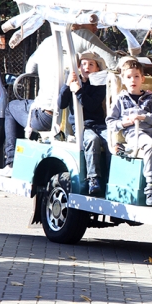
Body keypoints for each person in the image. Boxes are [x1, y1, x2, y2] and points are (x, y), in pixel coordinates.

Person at [0, 23, 117, 177]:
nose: (96, 27)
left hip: (48, 113)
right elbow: (114, 62)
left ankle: (12, 162)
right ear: (77, 22)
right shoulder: (85, 36)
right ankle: (12, 162)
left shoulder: (47, 41)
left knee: (13, 106)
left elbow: (29, 69)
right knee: (12, 107)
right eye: (92, 22)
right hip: (54, 115)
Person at [106, 58, 152, 206]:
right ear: (123, 80)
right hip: (133, 132)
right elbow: (110, 122)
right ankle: (150, 185)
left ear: (142, 78)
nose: (133, 80)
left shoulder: (150, 97)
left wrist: (144, 116)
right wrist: (124, 123)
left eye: (136, 76)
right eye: (129, 77)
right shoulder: (120, 99)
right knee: (150, 145)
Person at [57, 52, 109, 196]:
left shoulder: (99, 84)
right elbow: (61, 104)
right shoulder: (74, 83)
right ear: (79, 67)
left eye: (91, 64)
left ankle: (111, 176)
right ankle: (93, 179)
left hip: (99, 124)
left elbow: (92, 105)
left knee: (111, 141)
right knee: (92, 140)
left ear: (97, 69)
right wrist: (68, 86)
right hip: (83, 126)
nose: (87, 67)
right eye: (84, 64)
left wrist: (79, 91)